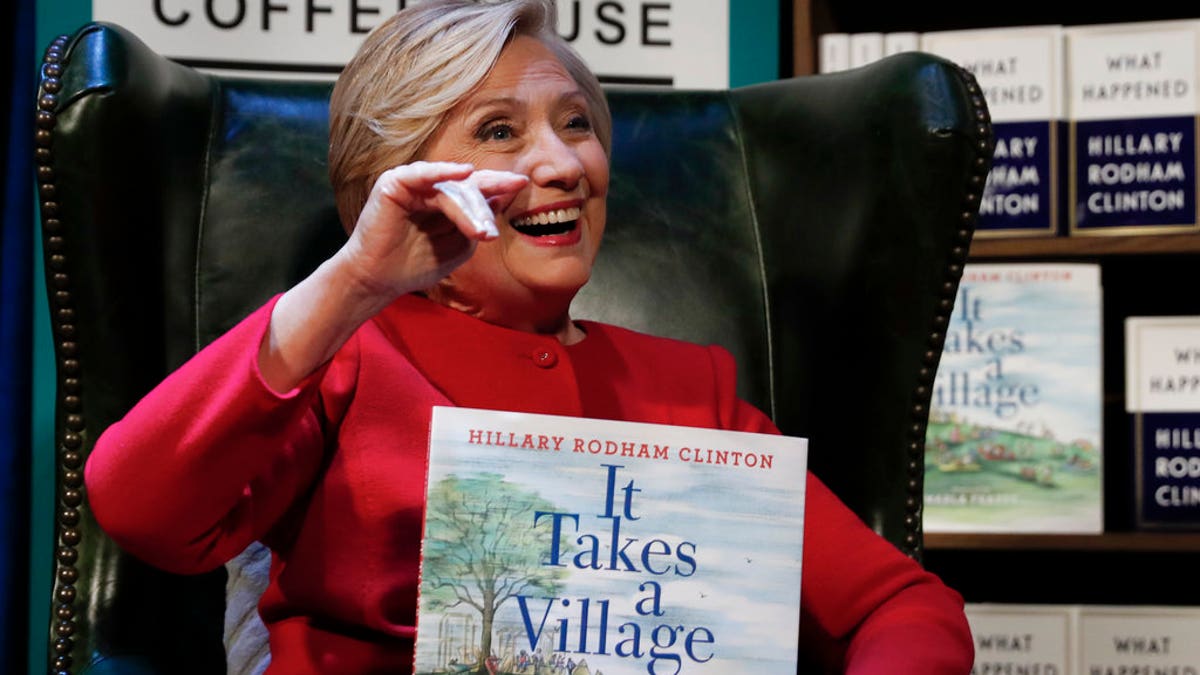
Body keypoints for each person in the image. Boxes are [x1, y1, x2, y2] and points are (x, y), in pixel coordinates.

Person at [82, 0, 975, 673]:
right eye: (500, 131)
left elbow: (899, 607)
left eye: (577, 122)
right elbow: (141, 507)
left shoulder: (689, 389)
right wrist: (355, 277)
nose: (562, 163)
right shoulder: (345, 352)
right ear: (405, 181)